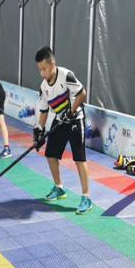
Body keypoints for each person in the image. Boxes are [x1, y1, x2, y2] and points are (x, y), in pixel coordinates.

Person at [33, 46, 93, 213]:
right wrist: (39, 130)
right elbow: (44, 110)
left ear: (52, 64)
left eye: (44, 69)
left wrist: (71, 111)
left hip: (75, 120)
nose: (42, 73)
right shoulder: (43, 86)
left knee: (79, 159)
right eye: (39, 69)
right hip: (60, 121)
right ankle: (59, 188)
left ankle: (86, 198)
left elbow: (82, 93)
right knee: (50, 154)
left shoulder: (66, 75)